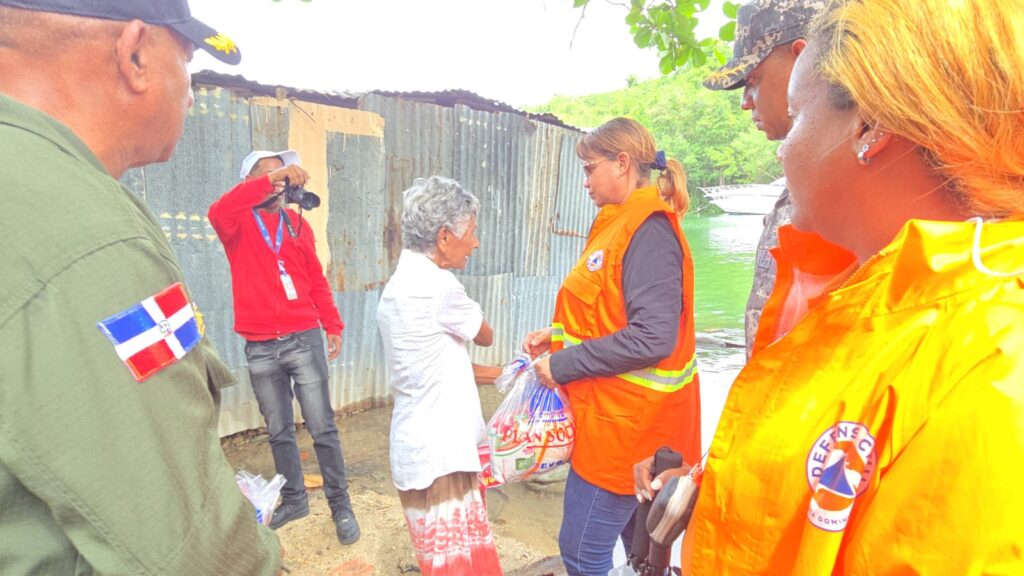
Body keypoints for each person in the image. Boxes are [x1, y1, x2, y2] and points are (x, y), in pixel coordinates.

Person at [648, 0, 1024, 573]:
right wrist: (718, 481)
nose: (782, 149)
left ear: (868, 124)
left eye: (798, 116)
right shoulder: (881, 297)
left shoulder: (988, 371)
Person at [0, 0, 286, 573]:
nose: (191, 91)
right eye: (186, 62)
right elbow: (191, 549)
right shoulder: (83, 232)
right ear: (134, 54)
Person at [521, 117, 702, 575]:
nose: (584, 181)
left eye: (589, 168)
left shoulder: (649, 231)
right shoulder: (617, 223)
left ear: (622, 163)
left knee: (582, 550)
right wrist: (556, 334)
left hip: (631, 432)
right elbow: (607, 311)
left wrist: (563, 364)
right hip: (612, 420)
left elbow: (653, 336)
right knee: (638, 552)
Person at [208, 150, 360, 545]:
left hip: (303, 338)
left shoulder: (296, 224)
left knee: (322, 426)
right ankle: (294, 499)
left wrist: (333, 323)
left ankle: (340, 505)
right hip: (259, 345)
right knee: (278, 431)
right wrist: (271, 180)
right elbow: (216, 210)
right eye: (270, 174)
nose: (280, 181)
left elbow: (315, 278)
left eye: (283, 173)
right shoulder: (237, 223)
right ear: (251, 182)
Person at [376, 176, 502, 575]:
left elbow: (441, 366)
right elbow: (485, 335)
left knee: (439, 562)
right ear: (445, 237)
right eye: (472, 232)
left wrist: (510, 374)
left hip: (416, 450)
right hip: (441, 457)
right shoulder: (440, 286)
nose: (476, 243)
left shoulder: (399, 285)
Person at [703, 0, 826, 358]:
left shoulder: (857, 180)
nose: (745, 102)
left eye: (752, 80)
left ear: (803, 58)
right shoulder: (807, 177)